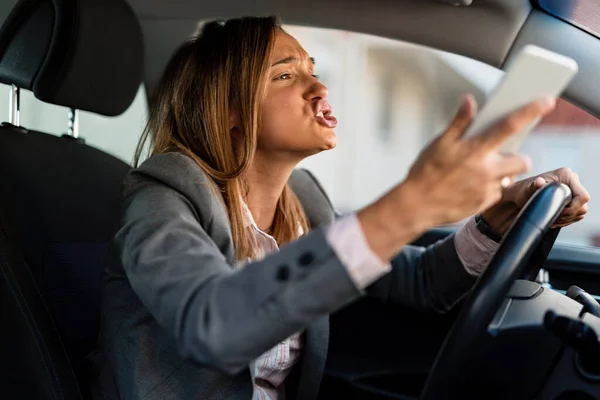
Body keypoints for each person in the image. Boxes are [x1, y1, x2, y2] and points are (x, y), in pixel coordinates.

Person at [97, 16, 590, 400]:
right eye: (286, 76)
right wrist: (408, 206)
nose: (319, 88)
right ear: (226, 110)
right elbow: (213, 326)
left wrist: (498, 215)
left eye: (313, 69)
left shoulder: (304, 201)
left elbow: (418, 283)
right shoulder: (162, 196)